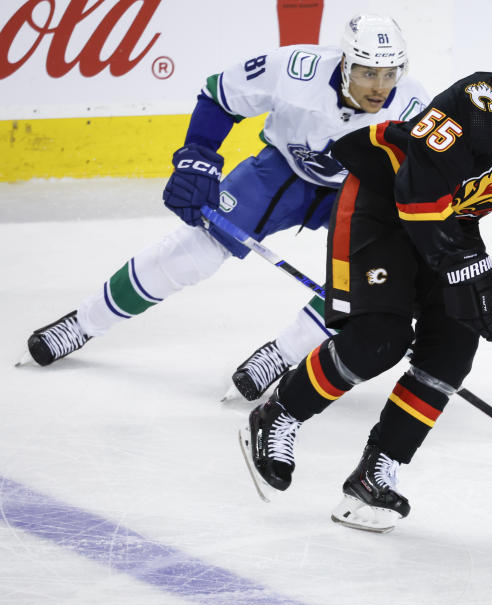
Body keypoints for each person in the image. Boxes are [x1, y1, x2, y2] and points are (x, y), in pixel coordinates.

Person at [239, 21, 492, 533]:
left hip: (447, 226)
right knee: (379, 339)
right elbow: (418, 195)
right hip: (384, 205)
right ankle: (280, 415)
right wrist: (467, 269)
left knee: (451, 353)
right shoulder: (473, 104)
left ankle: (376, 473)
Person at [22, 15, 428, 374]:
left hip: (360, 193)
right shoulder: (295, 70)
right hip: (281, 170)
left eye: (389, 73)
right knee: (195, 251)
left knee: (361, 282)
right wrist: (196, 157)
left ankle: (280, 356)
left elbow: (428, 180)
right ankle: (82, 323)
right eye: (366, 73)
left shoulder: (414, 107)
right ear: (344, 64)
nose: (379, 87)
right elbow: (220, 94)